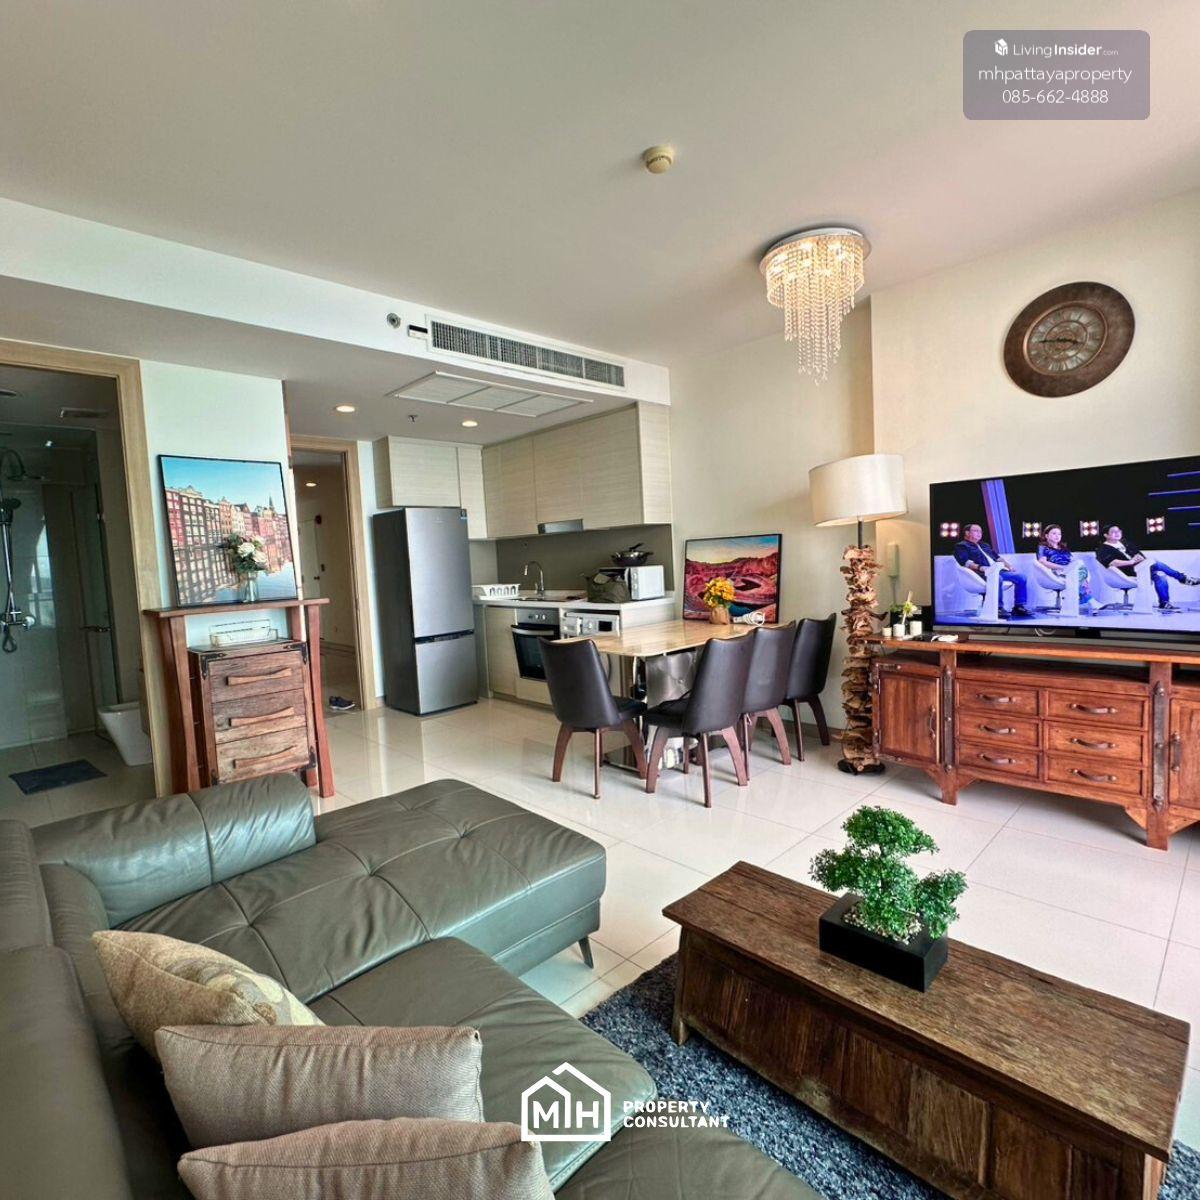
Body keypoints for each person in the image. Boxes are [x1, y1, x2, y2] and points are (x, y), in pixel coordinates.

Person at [1095, 524, 1200, 613]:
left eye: (1118, 531)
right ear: (1106, 535)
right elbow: (1111, 562)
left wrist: (1141, 559)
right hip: (1125, 574)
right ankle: (1183, 578)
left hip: (1139, 568)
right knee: (1157, 563)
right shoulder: (1103, 548)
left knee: (1160, 575)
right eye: (1113, 532)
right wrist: (1131, 562)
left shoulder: (1125, 542)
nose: (1117, 533)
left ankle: (1164, 603)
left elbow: (1138, 554)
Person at [953, 522, 1031, 618]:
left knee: (1021, 577)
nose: (979, 533)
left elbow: (998, 558)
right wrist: (980, 567)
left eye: (980, 531)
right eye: (976, 531)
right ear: (967, 533)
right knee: (997, 579)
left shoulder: (985, 545)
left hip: (997, 570)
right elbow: (965, 562)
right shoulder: (961, 546)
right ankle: (998, 608)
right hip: (980, 573)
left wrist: (1009, 566)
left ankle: (1019, 606)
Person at [1035, 523, 1094, 610]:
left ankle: (1084, 598)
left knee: (1080, 564)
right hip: (1054, 572)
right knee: (1078, 573)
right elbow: (1042, 562)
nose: (1057, 536)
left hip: (1068, 570)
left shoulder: (1063, 548)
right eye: (1054, 533)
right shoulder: (1043, 547)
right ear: (1046, 535)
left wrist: (1072, 566)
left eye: (1059, 534)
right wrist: (1062, 567)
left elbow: (1071, 560)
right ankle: (1087, 599)